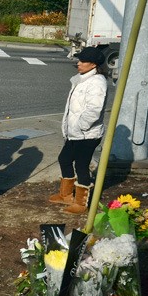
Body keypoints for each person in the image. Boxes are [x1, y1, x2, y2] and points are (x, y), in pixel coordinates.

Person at [49, 47, 107, 214]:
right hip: (75, 133)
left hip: (87, 134)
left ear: (94, 64)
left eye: (82, 61)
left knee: (81, 166)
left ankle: (81, 203)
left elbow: (94, 110)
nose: (78, 63)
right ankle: (66, 195)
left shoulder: (97, 82)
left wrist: (80, 126)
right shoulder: (81, 79)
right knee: (64, 159)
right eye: (79, 60)